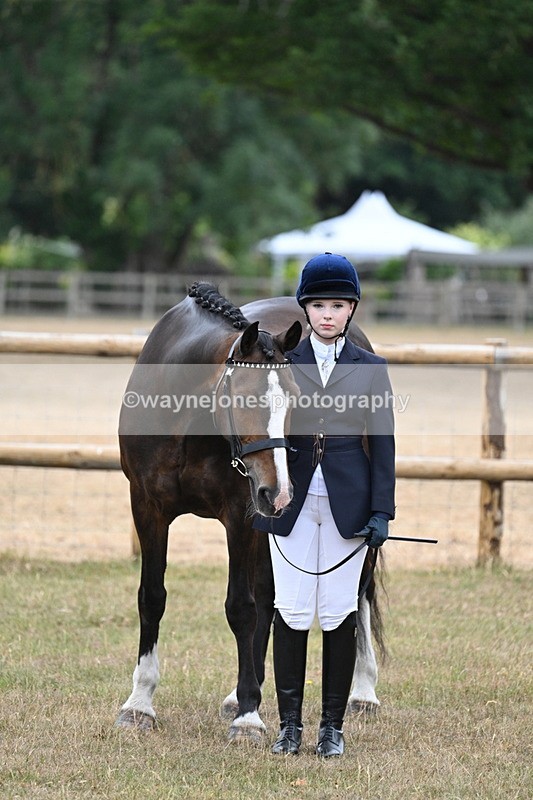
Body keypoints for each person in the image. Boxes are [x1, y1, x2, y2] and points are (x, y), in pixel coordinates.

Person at [254, 252, 396, 758]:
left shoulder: (371, 369)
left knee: (338, 611)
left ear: (351, 309)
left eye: (338, 305)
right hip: (290, 502)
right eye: (318, 306)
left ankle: (331, 727)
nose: (328, 314)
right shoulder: (282, 364)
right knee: (291, 610)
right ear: (306, 310)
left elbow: (383, 445)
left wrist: (382, 511)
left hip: (348, 503)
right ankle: (289, 725)